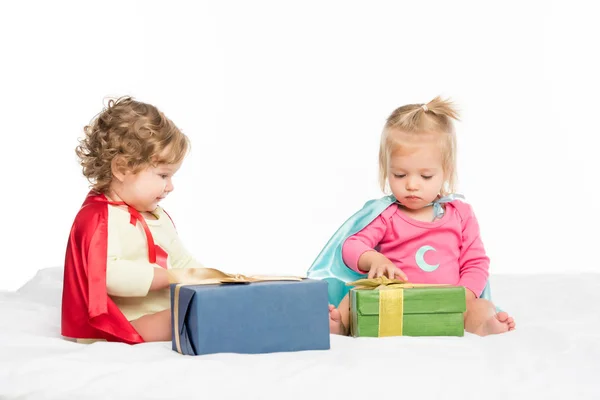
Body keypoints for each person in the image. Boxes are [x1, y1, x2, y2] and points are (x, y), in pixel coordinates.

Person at [308, 97, 516, 336]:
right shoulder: (387, 214)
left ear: (445, 171)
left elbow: (476, 263)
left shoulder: (460, 214)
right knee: (353, 300)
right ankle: (340, 324)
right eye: (399, 174)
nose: (412, 185)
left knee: (480, 307)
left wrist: (464, 296)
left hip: (446, 302)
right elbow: (352, 245)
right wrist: (374, 259)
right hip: (392, 301)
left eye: (426, 176)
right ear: (387, 170)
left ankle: (483, 325)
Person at [61, 96, 202, 344]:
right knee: (190, 317)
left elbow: (180, 259)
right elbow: (107, 274)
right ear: (123, 168)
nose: (170, 187)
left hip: (156, 308)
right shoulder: (98, 218)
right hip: (122, 319)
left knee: (203, 307)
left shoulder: (155, 215)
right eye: (163, 175)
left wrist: (208, 277)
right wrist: (169, 277)